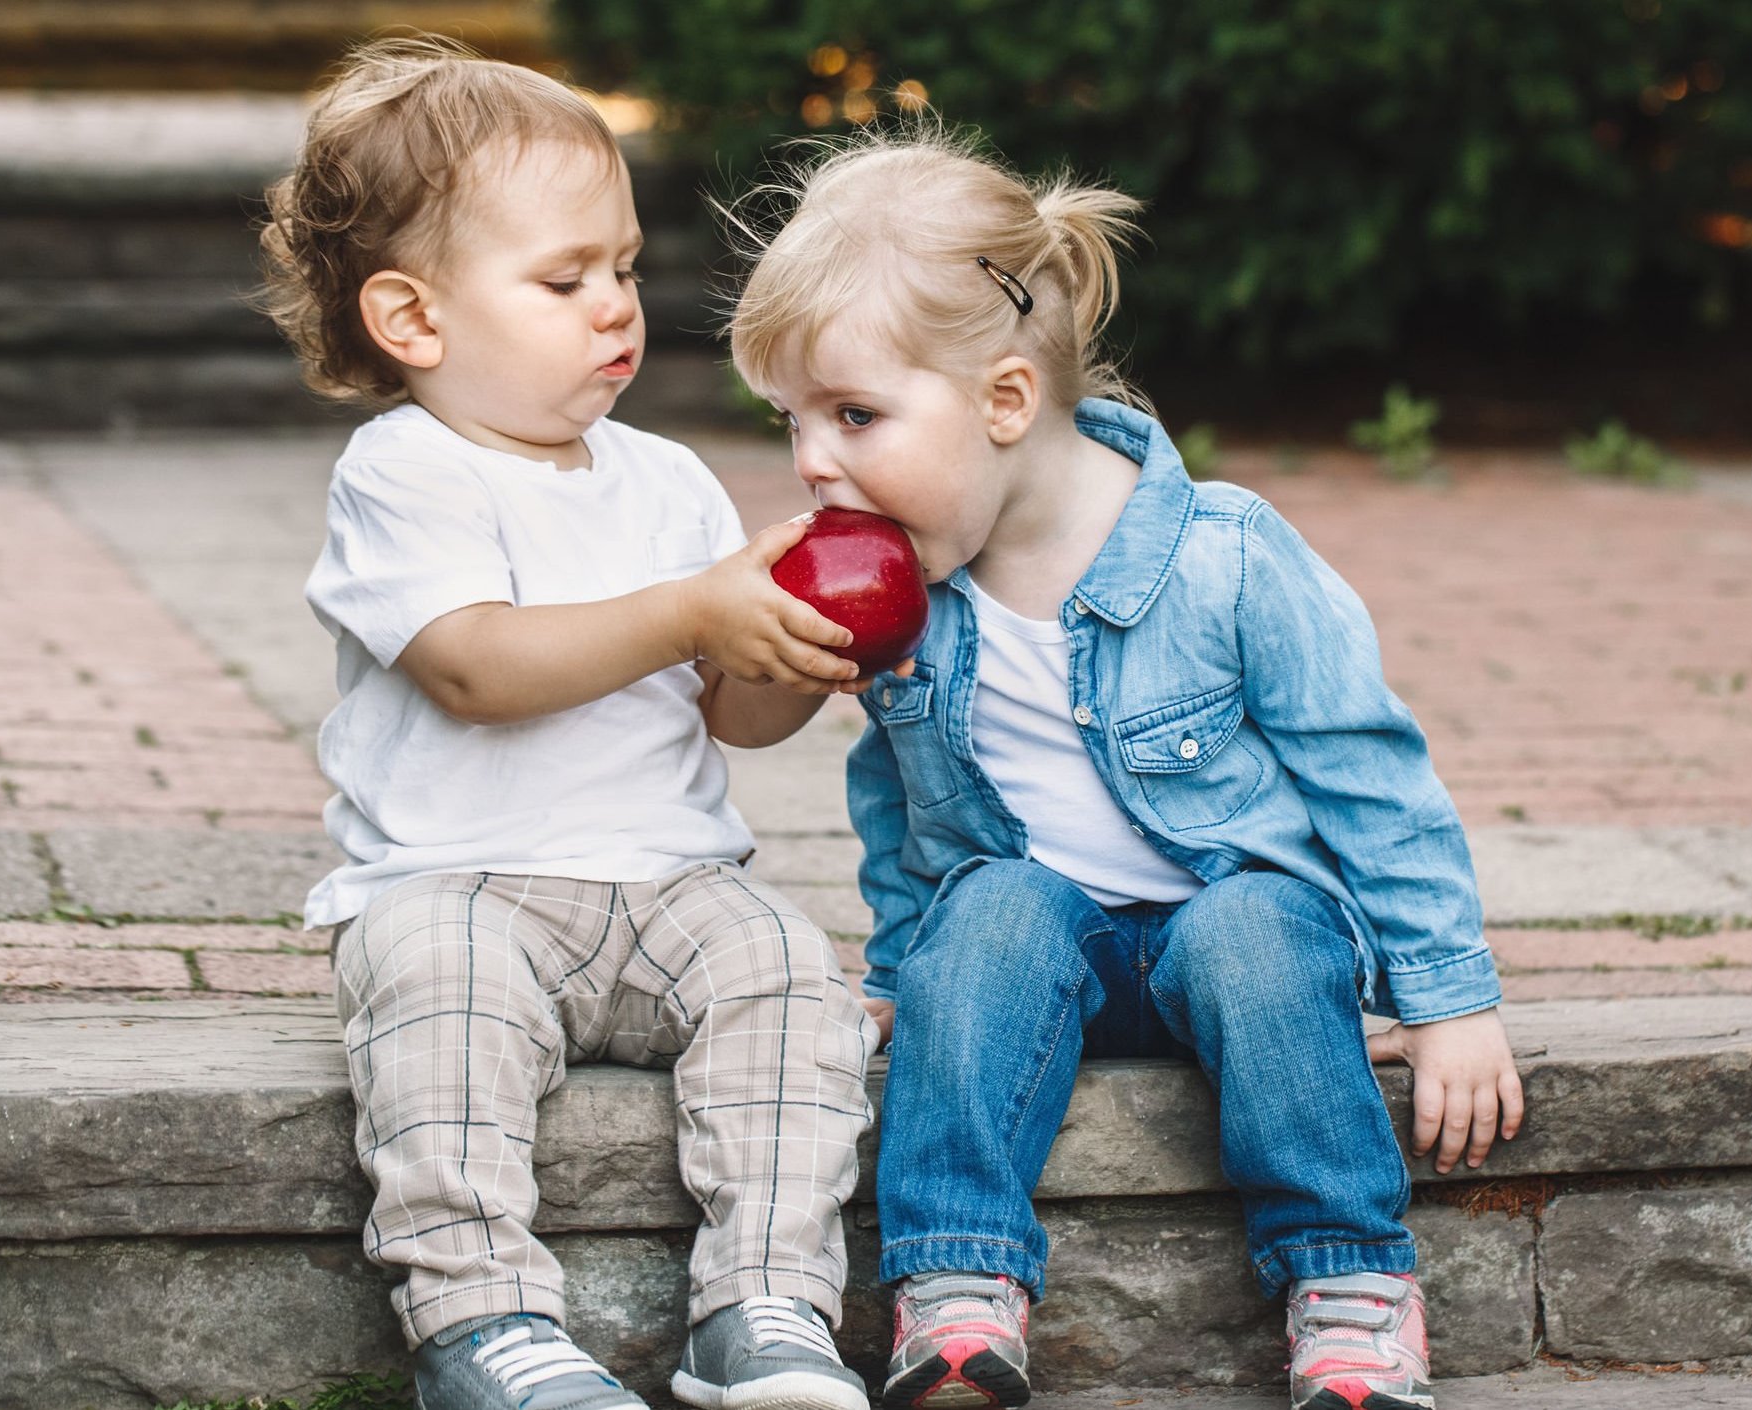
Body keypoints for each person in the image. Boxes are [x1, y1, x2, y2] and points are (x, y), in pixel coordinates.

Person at [724, 127, 1526, 1410]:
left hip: (1232, 917)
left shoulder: (1226, 555)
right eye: (796, 421)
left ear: (1003, 400)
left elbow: (1373, 776)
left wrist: (1448, 999)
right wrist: (898, 969)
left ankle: (1350, 1279)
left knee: (1261, 931)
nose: (814, 461)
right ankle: (959, 1288)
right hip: (1050, 940)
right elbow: (901, 801)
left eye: (854, 415)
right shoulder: (913, 593)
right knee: (982, 919)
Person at [258, 37, 879, 1410]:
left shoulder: (663, 481)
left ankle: (765, 1307)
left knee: (788, 969)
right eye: (562, 279)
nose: (614, 306)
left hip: (669, 881)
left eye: (625, 268)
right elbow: (474, 666)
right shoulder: (405, 473)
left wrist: (798, 646)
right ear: (412, 320)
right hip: (456, 885)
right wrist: (688, 611)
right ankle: (483, 1325)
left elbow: (734, 716)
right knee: (437, 989)